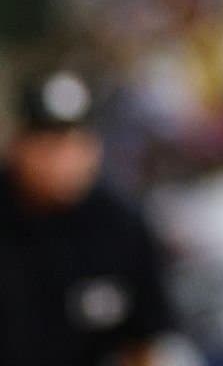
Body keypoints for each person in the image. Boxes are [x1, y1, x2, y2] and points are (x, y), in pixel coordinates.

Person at [0, 70, 175, 366]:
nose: (62, 158)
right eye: (47, 142)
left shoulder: (121, 224)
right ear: (18, 145)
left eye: (73, 142)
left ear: (94, 147)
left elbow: (144, 341)